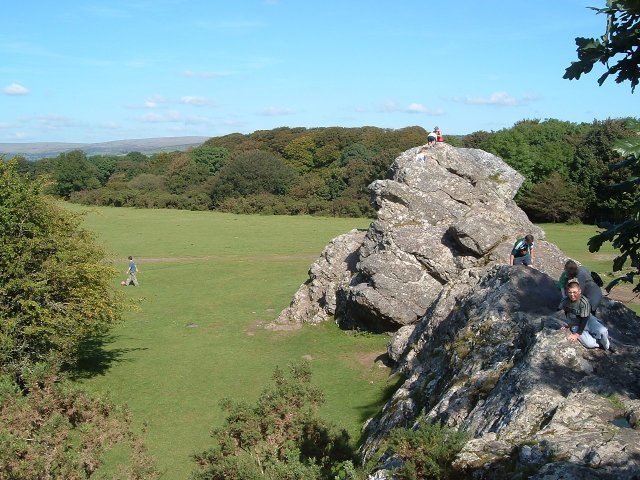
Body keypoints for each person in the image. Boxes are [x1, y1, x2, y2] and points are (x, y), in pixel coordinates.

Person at [560, 278, 615, 352]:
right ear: (567, 292)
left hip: (588, 320)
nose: (572, 294)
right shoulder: (565, 301)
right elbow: (567, 313)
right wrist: (569, 325)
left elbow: (584, 319)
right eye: (570, 292)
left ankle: (607, 346)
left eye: (574, 292)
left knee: (603, 331)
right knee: (589, 344)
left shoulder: (584, 302)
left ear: (579, 291)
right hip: (576, 324)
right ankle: (600, 343)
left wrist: (577, 335)